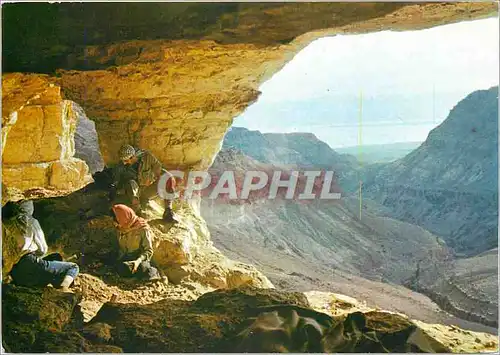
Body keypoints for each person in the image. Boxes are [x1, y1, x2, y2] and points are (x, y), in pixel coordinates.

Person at [6, 201, 79, 292]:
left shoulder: (6, 222)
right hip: (29, 264)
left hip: (13, 270)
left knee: (55, 257)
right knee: (73, 267)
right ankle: (63, 289)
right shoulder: (30, 220)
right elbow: (43, 249)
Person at [114, 144, 177, 222]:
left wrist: (152, 178)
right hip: (136, 193)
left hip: (149, 188)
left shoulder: (147, 156)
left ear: (133, 157)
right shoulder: (122, 167)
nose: (125, 163)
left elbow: (158, 168)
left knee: (168, 177)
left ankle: (168, 211)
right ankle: (137, 212)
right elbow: (120, 184)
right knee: (131, 183)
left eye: (126, 161)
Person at [111, 204, 162, 282]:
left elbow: (148, 250)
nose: (115, 224)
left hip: (139, 259)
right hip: (127, 257)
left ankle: (152, 273)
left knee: (143, 268)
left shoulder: (142, 228)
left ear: (124, 218)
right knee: (118, 266)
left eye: (117, 220)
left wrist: (137, 262)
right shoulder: (121, 228)